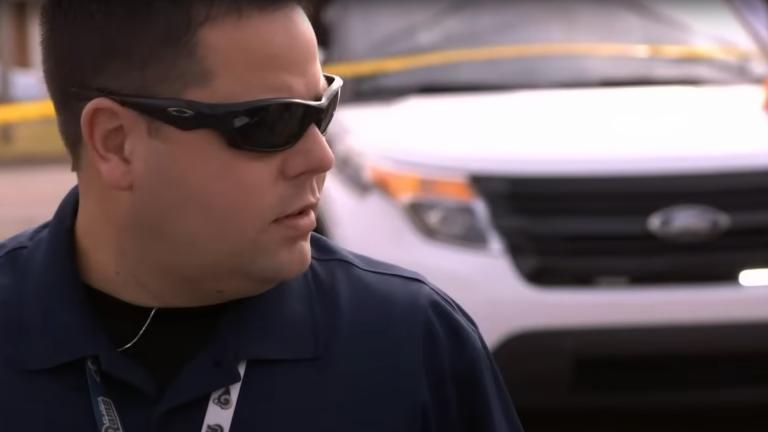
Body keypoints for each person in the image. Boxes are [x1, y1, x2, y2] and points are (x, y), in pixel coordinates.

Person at [0, 1, 524, 431]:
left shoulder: (413, 345)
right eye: (272, 121)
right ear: (116, 143)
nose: (320, 157)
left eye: (323, 108)